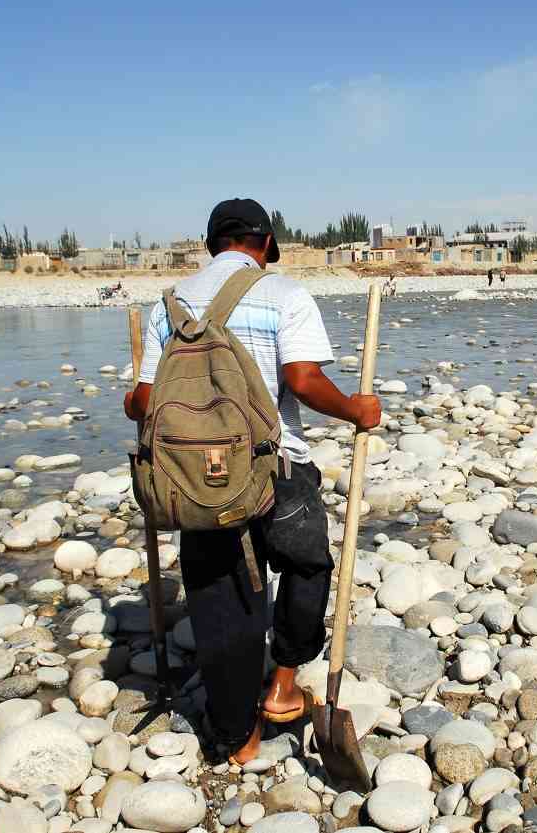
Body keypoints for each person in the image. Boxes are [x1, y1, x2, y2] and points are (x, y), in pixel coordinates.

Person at [123, 199, 381, 765]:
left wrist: (133, 401)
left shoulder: (169, 304)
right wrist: (356, 411)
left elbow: (143, 403)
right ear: (264, 243)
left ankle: (237, 736)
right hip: (278, 467)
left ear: (211, 242)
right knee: (308, 566)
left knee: (221, 596)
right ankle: (284, 685)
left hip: (196, 481)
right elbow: (304, 381)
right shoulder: (284, 295)